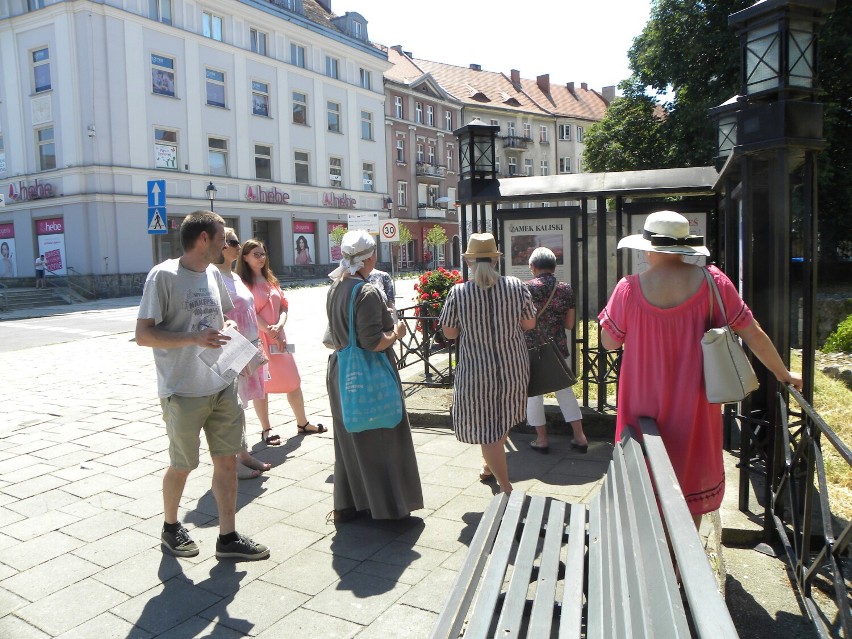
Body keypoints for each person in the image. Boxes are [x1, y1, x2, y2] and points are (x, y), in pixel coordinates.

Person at [598, 210, 803, 526]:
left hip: (640, 403)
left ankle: (654, 561)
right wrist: (783, 374)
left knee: (645, 477)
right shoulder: (714, 283)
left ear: (649, 249)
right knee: (688, 488)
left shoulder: (628, 289)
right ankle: (683, 568)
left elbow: (609, 343)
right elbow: (752, 332)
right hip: (694, 403)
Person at [135, 210, 269, 560]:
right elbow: (143, 335)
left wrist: (233, 337)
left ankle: (228, 537)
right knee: (183, 464)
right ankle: (170, 527)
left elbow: (221, 317)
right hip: (182, 390)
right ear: (203, 239)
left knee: (227, 462)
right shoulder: (162, 276)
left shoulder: (213, 273)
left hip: (221, 383)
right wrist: (193, 338)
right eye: (222, 237)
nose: (228, 244)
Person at [325, 230, 423, 521]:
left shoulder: (335, 286)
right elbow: (373, 342)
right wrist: (397, 332)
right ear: (370, 257)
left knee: (350, 443)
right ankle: (389, 508)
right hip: (368, 372)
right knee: (382, 439)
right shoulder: (366, 291)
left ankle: (350, 505)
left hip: (341, 370)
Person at [439, 233, 537, 494]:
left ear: (470, 262)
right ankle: (489, 467)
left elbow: (449, 333)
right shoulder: (516, 286)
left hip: (476, 372)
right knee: (501, 421)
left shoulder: (458, 292)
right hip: (512, 368)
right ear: (495, 260)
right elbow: (529, 323)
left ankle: (506, 488)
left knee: (487, 428)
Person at [236, 238, 325, 444]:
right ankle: (266, 429)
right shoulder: (243, 284)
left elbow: (284, 305)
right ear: (245, 257)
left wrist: (280, 325)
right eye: (256, 254)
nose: (261, 258)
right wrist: (268, 329)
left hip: (279, 339)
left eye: (263, 253)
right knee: (262, 385)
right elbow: (248, 311)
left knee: (293, 380)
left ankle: (302, 422)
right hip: (259, 339)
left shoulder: (271, 280)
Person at [215, 228, 273, 480]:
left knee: (240, 406)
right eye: (233, 242)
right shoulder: (215, 277)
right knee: (230, 407)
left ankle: (244, 454)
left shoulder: (234, 277)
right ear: (220, 246)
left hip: (246, 348)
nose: (238, 246)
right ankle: (232, 463)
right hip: (230, 350)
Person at [525, 247, 589, 453]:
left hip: (532, 348)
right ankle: (580, 436)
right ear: (554, 266)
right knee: (565, 391)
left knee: (534, 393)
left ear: (533, 267)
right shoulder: (565, 289)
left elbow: (524, 323)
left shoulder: (525, 288)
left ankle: (541, 439)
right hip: (557, 348)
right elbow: (570, 324)